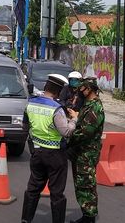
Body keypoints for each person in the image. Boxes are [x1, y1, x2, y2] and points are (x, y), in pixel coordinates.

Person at [21, 74, 78, 223]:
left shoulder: (30, 103)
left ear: (46, 87)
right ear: (58, 92)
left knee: (33, 188)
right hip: (55, 155)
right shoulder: (56, 109)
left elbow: (25, 127)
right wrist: (74, 120)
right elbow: (65, 131)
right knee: (56, 192)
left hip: (37, 153)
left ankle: (26, 220)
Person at [67, 77, 105, 223]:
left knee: (86, 185)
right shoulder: (88, 105)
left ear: (89, 89)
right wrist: (76, 116)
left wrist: (68, 137)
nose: (80, 92)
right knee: (81, 184)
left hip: (87, 153)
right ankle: (86, 215)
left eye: (82, 89)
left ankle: (89, 217)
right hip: (81, 152)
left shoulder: (95, 107)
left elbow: (85, 132)